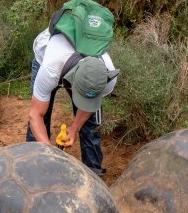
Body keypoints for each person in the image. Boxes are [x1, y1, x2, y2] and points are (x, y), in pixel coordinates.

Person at [25, 26, 119, 176]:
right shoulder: (50, 70)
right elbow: (35, 115)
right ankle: (35, 166)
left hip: (75, 64)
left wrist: (74, 129)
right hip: (45, 56)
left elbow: (89, 106)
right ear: (72, 82)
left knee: (91, 122)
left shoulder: (107, 79)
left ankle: (93, 171)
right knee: (43, 116)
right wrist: (50, 151)